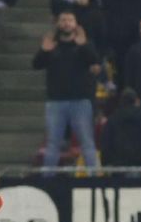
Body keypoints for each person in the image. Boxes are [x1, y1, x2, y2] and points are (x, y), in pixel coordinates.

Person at [33, 10, 100, 170]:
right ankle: (47, 182)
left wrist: (83, 46)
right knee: (53, 144)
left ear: (76, 24)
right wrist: (44, 50)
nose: (66, 23)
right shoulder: (52, 45)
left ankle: (96, 183)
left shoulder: (84, 44)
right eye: (63, 20)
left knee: (87, 143)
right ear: (58, 23)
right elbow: (36, 65)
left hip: (80, 101)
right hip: (56, 102)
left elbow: (95, 63)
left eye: (70, 20)